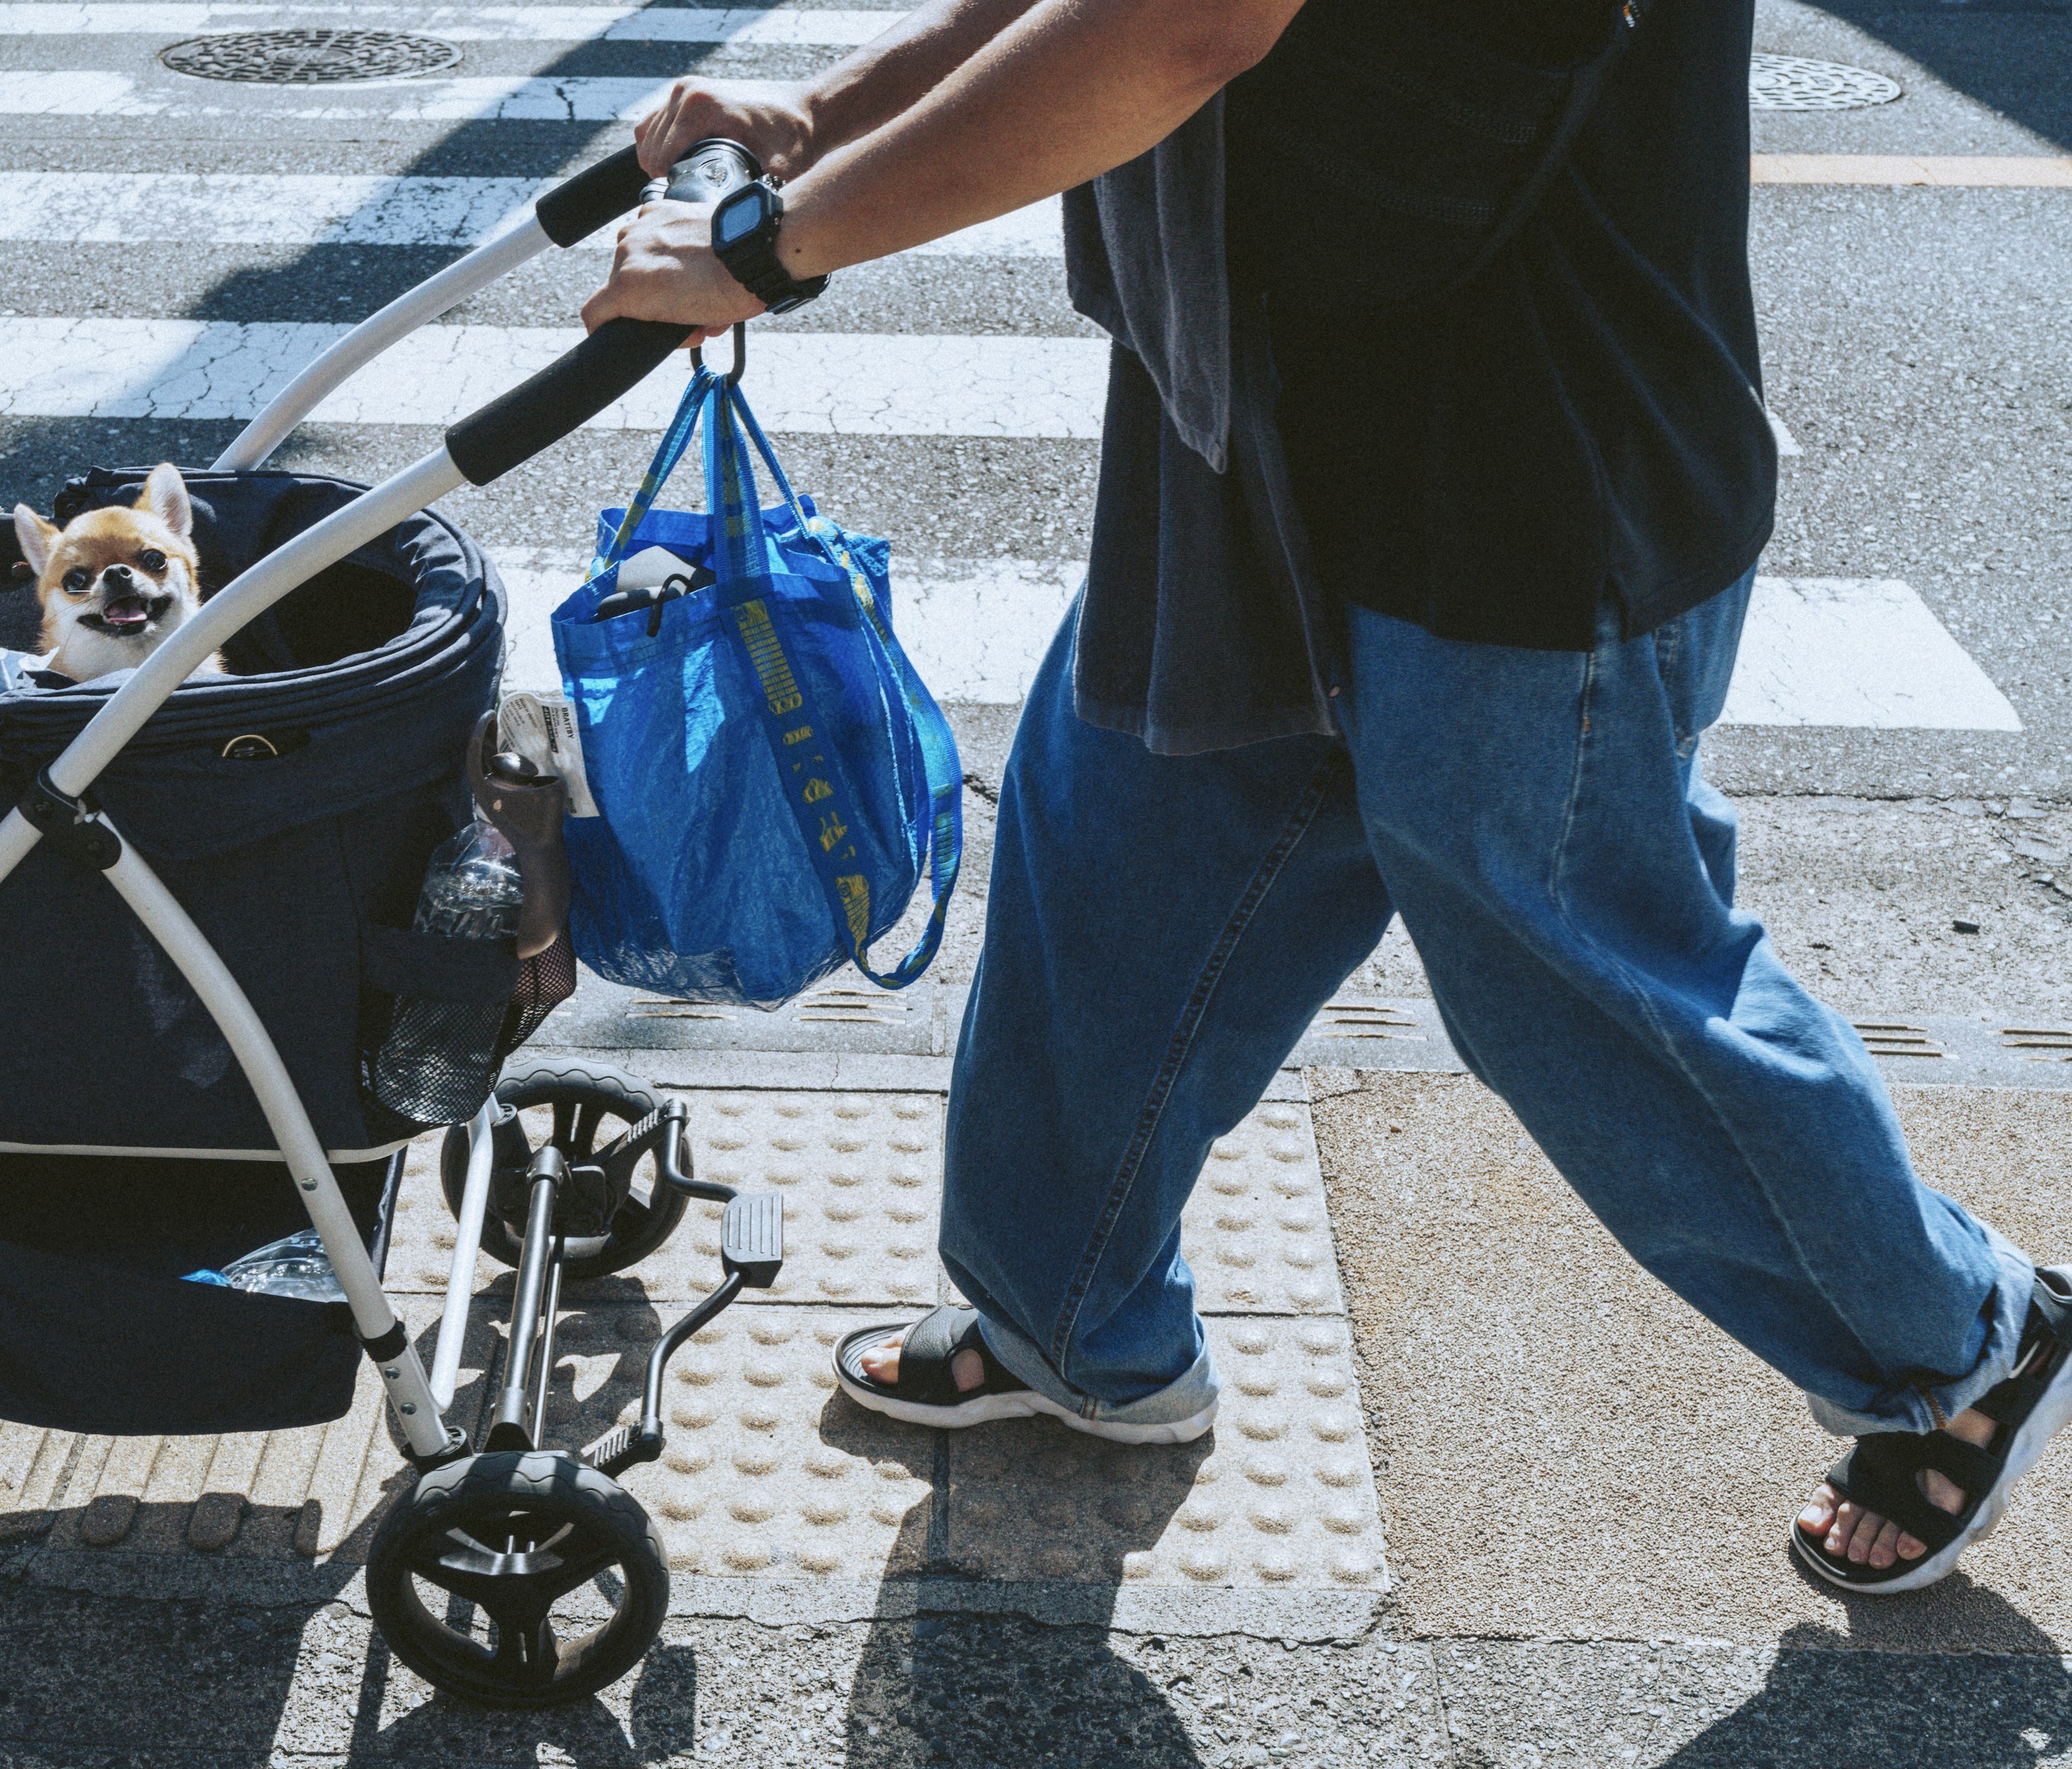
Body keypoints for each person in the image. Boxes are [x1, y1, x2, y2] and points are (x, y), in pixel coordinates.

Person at [579, 0, 2072, 1593]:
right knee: (1127, 846)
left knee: (1579, 974)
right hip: (1258, 393)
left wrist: (782, 241)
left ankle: (1960, 1340)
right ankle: (1074, 1322)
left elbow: (1182, 24)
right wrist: (826, 110)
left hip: (1521, 441)